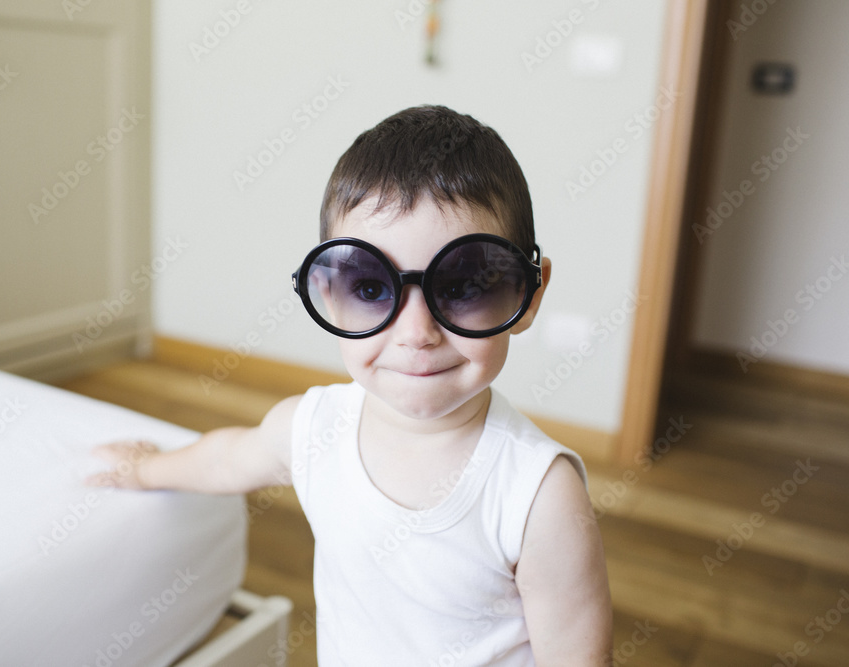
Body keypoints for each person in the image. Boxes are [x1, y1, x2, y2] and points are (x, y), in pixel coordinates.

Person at [88, 105, 613, 665]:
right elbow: (227, 461)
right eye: (370, 289)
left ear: (528, 294)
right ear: (328, 292)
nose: (416, 334)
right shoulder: (314, 428)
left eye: (463, 286)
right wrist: (145, 469)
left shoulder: (539, 496)